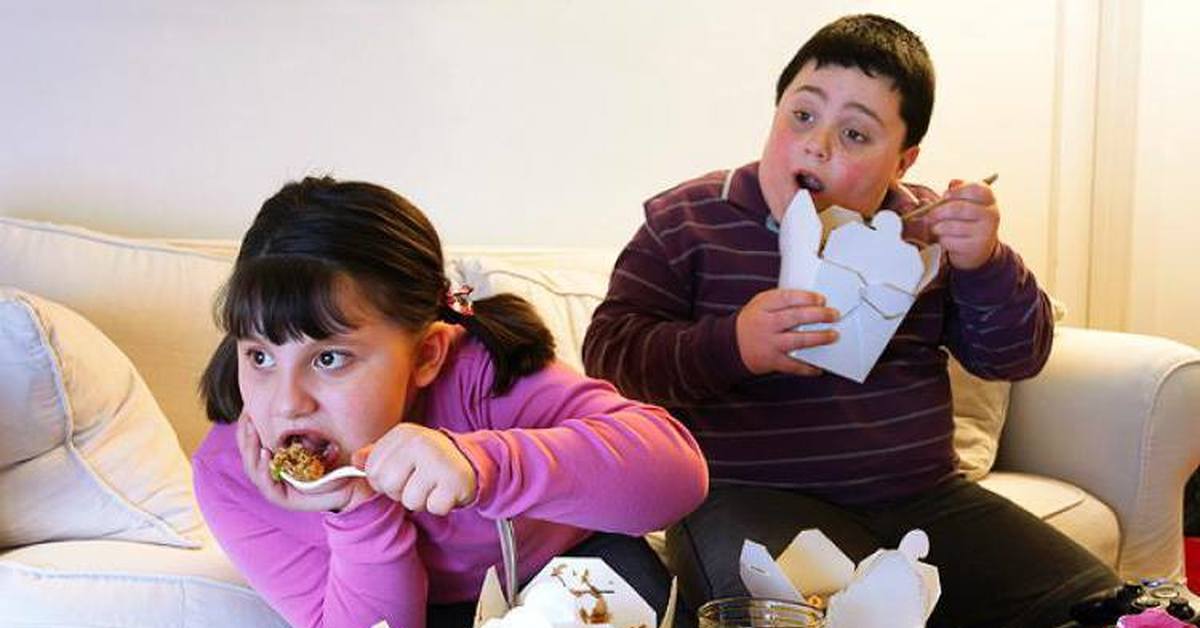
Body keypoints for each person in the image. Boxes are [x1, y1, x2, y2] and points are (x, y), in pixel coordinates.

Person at [582, 13, 1118, 628]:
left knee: (1112, 609)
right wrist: (734, 344)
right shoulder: (688, 223)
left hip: (924, 500)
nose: (818, 144)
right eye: (801, 115)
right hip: (747, 499)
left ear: (903, 161)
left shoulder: (925, 232)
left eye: (856, 134)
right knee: (782, 614)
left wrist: (987, 263)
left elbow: (1014, 356)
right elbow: (611, 356)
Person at [192, 176, 708, 627]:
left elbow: (677, 478)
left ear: (426, 355)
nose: (286, 404)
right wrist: (357, 512)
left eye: (329, 359)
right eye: (259, 357)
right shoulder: (231, 476)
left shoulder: (480, 376)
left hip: (579, 573)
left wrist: (486, 465)